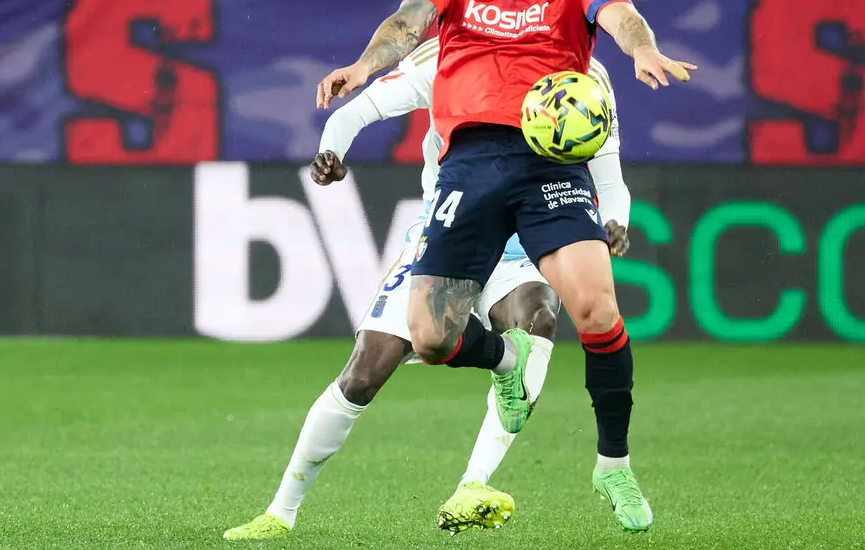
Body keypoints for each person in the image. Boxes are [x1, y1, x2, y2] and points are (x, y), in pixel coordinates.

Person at [316, 0, 693, 532]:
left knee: (597, 308)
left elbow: (620, 15)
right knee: (431, 337)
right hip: (469, 166)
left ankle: (613, 464)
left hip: (551, 168)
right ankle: (505, 358)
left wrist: (640, 49)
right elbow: (408, 22)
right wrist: (364, 66)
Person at [223, 36, 633, 540]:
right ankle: (280, 513)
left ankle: (473, 484)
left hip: (525, 236)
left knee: (537, 316)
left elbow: (608, 177)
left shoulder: (584, 73)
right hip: (450, 230)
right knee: (366, 370)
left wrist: (615, 221)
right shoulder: (448, 54)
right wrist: (330, 151)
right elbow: (354, 113)